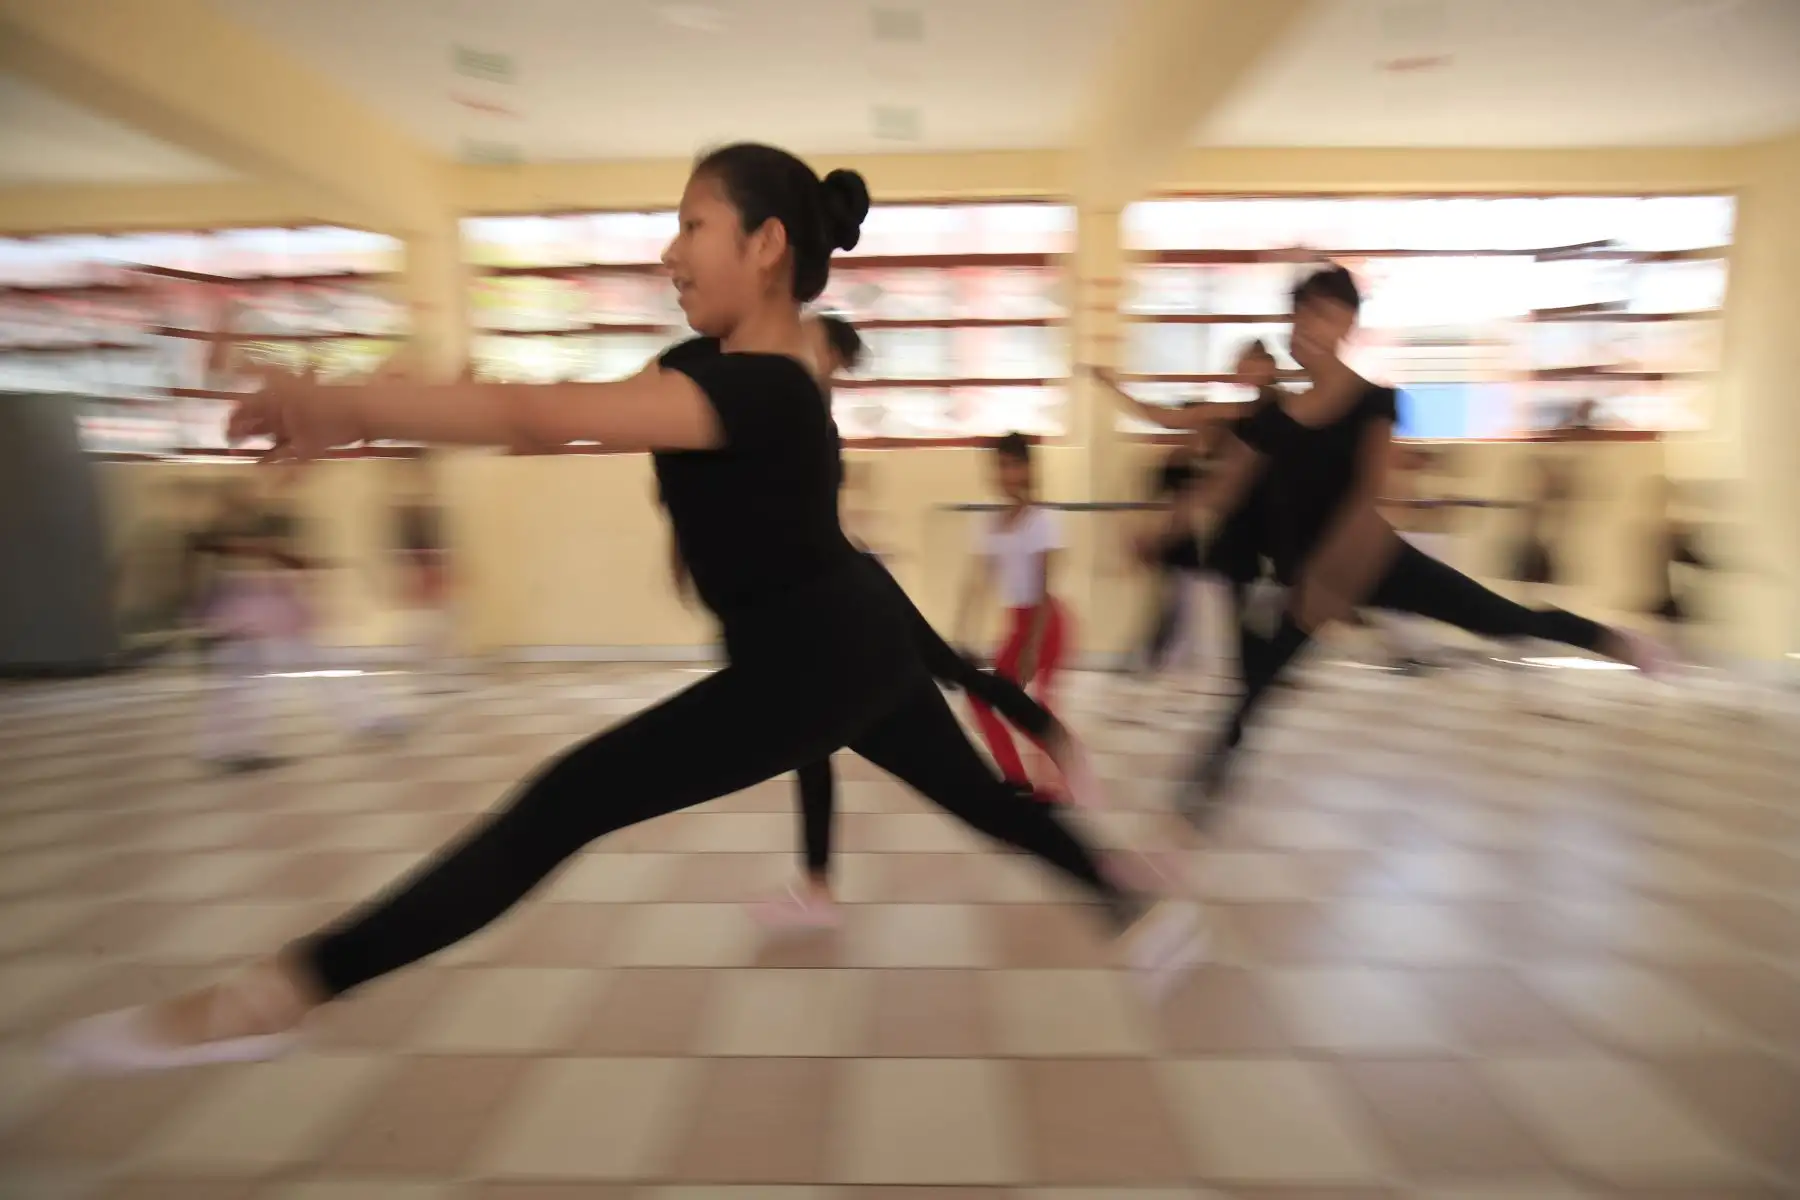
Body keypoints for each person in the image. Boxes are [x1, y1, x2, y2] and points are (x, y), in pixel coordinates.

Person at [54, 144, 1197, 1075]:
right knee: (987, 805)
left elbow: (544, 419)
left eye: (693, 225)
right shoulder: (720, 372)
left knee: (562, 802)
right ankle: (1135, 906)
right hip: (841, 641)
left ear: (765, 245)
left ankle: (282, 991)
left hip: (809, 663)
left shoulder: (759, 387)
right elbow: (559, 430)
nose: (668, 251)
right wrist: (347, 399)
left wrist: (341, 399)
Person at [1102, 266, 1666, 822]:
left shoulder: (1374, 401)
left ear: (1348, 322)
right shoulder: (1270, 419)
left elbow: (1374, 493)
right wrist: (1162, 533)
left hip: (1375, 561)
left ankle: (1610, 640)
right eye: (1296, 316)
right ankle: (1204, 785)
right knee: (1258, 682)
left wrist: (1333, 580)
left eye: (1319, 315)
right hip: (1314, 580)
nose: (1303, 328)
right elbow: (1216, 492)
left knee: (1500, 619)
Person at [954, 433, 1074, 797]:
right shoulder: (991, 523)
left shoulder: (1042, 519)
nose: (1006, 473)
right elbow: (980, 582)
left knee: (1036, 709)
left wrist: (1032, 647)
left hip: (1046, 622)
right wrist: (960, 634)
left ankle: (1061, 778)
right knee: (981, 699)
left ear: (1027, 468)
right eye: (1000, 466)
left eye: (1013, 465)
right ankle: (1017, 779)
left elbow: (1042, 585)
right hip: (1018, 624)